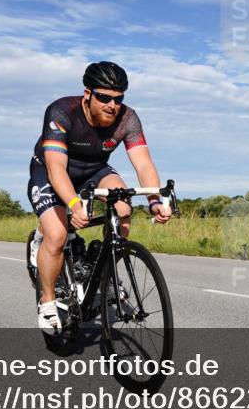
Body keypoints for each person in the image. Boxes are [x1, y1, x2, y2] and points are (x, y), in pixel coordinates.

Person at [27, 61, 172, 334]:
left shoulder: (128, 119)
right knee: (57, 235)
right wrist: (73, 204)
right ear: (88, 95)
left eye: (118, 99)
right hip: (51, 171)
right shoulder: (61, 112)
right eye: (104, 97)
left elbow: (143, 164)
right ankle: (47, 300)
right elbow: (56, 169)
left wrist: (154, 201)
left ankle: (103, 271)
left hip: (95, 170)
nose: (111, 105)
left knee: (124, 209)